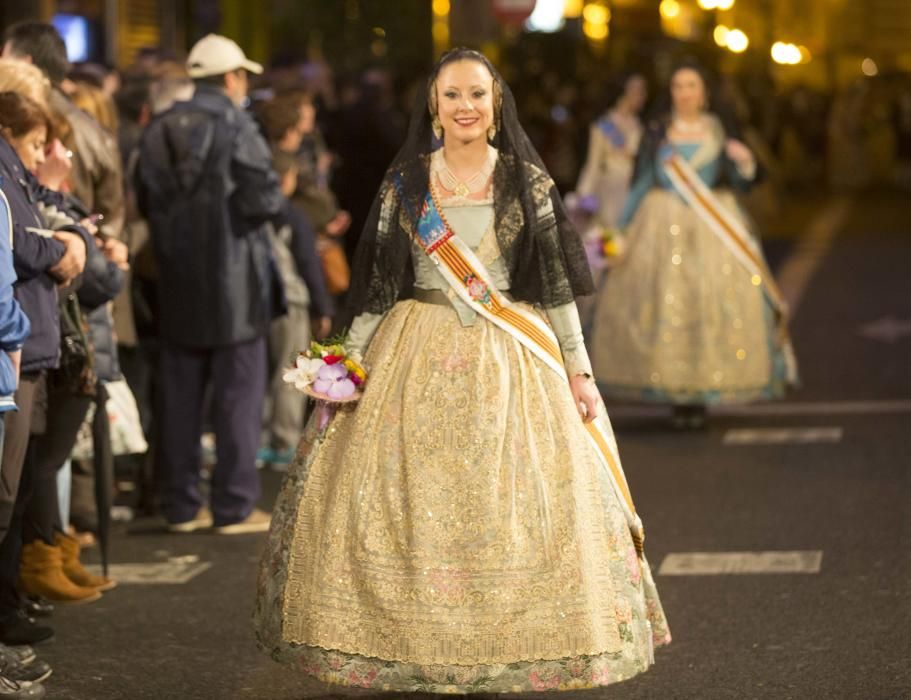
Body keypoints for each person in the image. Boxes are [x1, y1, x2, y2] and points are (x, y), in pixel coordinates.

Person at [255, 48, 670, 694]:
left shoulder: (525, 184)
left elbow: (555, 288)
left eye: (477, 94)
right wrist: (344, 365)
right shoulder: (407, 185)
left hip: (513, 362)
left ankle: (509, 644)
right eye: (452, 95)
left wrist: (579, 372)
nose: (465, 107)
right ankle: (418, 645)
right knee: (407, 507)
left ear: (495, 105)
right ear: (433, 107)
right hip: (413, 354)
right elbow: (379, 288)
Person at [590, 62, 798, 428]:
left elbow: (739, 180)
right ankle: (676, 394)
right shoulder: (658, 132)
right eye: (677, 85)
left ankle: (701, 393)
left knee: (709, 304)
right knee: (667, 308)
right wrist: (619, 230)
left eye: (691, 85)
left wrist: (745, 162)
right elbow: (641, 183)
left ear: (704, 92)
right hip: (659, 223)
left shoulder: (719, 131)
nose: (684, 92)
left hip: (712, 223)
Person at [136, 34, 284, 534]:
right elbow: (264, 198)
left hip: (176, 281)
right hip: (235, 284)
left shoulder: (158, 129)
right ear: (231, 77)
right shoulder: (237, 124)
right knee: (238, 401)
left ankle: (181, 505)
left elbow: (145, 198)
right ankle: (234, 505)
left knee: (178, 399)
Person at [3, 23, 125, 242]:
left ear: (24, 64)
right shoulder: (91, 128)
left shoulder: (57, 126)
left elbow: (31, 236)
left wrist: (82, 241)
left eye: (4, 58)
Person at [576, 72, 648, 233]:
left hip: (633, 191)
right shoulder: (604, 125)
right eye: (637, 90)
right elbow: (593, 163)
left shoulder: (642, 127)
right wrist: (584, 195)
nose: (642, 96)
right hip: (608, 190)